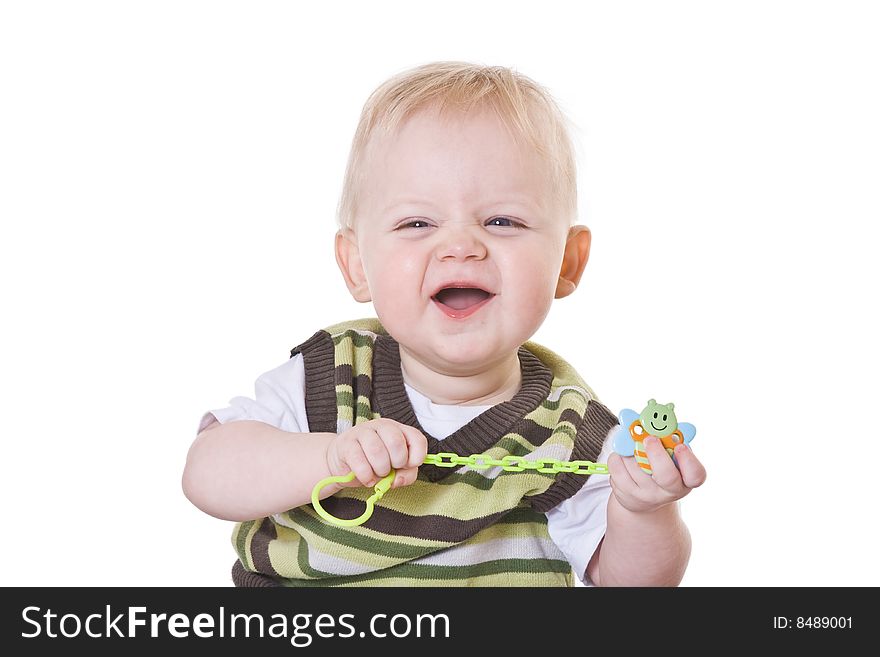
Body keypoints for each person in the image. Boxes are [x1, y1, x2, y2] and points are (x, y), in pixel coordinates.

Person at [182, 61, 707, 587]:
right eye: (417, 223)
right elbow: (208, 474)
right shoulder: (331, 376)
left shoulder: (572, 430)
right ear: (357, 265)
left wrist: (644, 512)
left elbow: (638, 585)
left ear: (567, 263)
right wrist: (328, 456)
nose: (460, 246)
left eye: (503, 221)